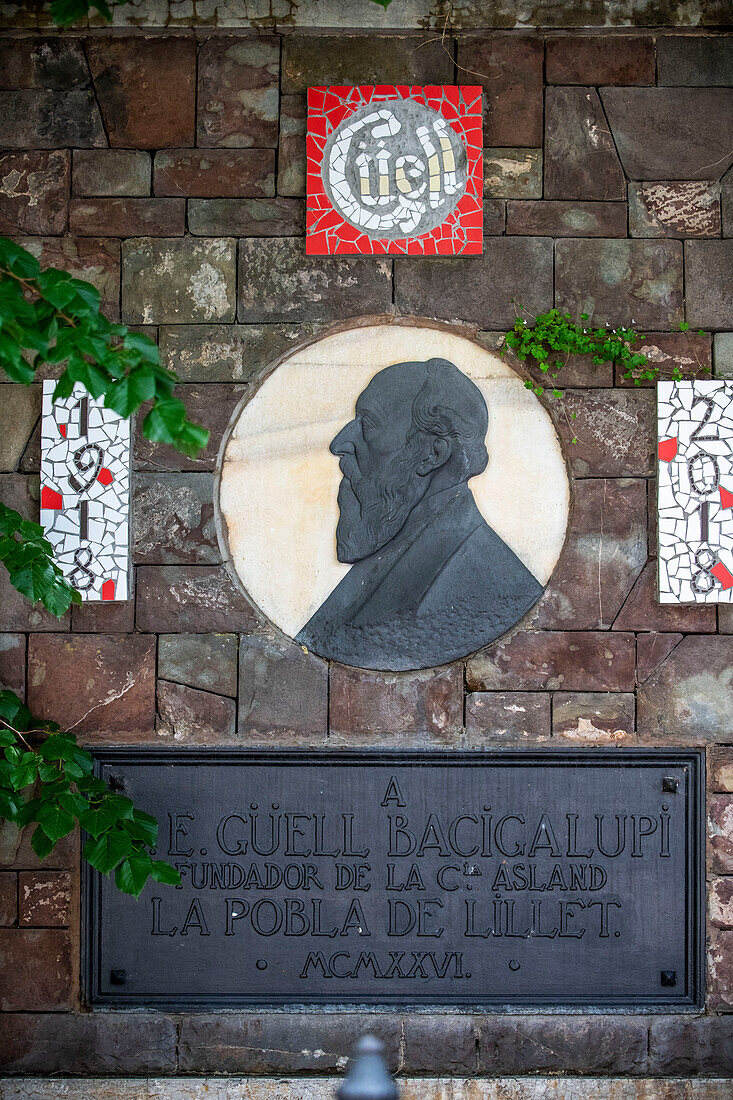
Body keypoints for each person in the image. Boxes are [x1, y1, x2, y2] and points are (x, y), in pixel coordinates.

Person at [296, 357, 543, 670]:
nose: (340, 443)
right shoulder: (397, 539)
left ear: (432, 454)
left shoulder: (490, 585)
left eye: (368, 424)